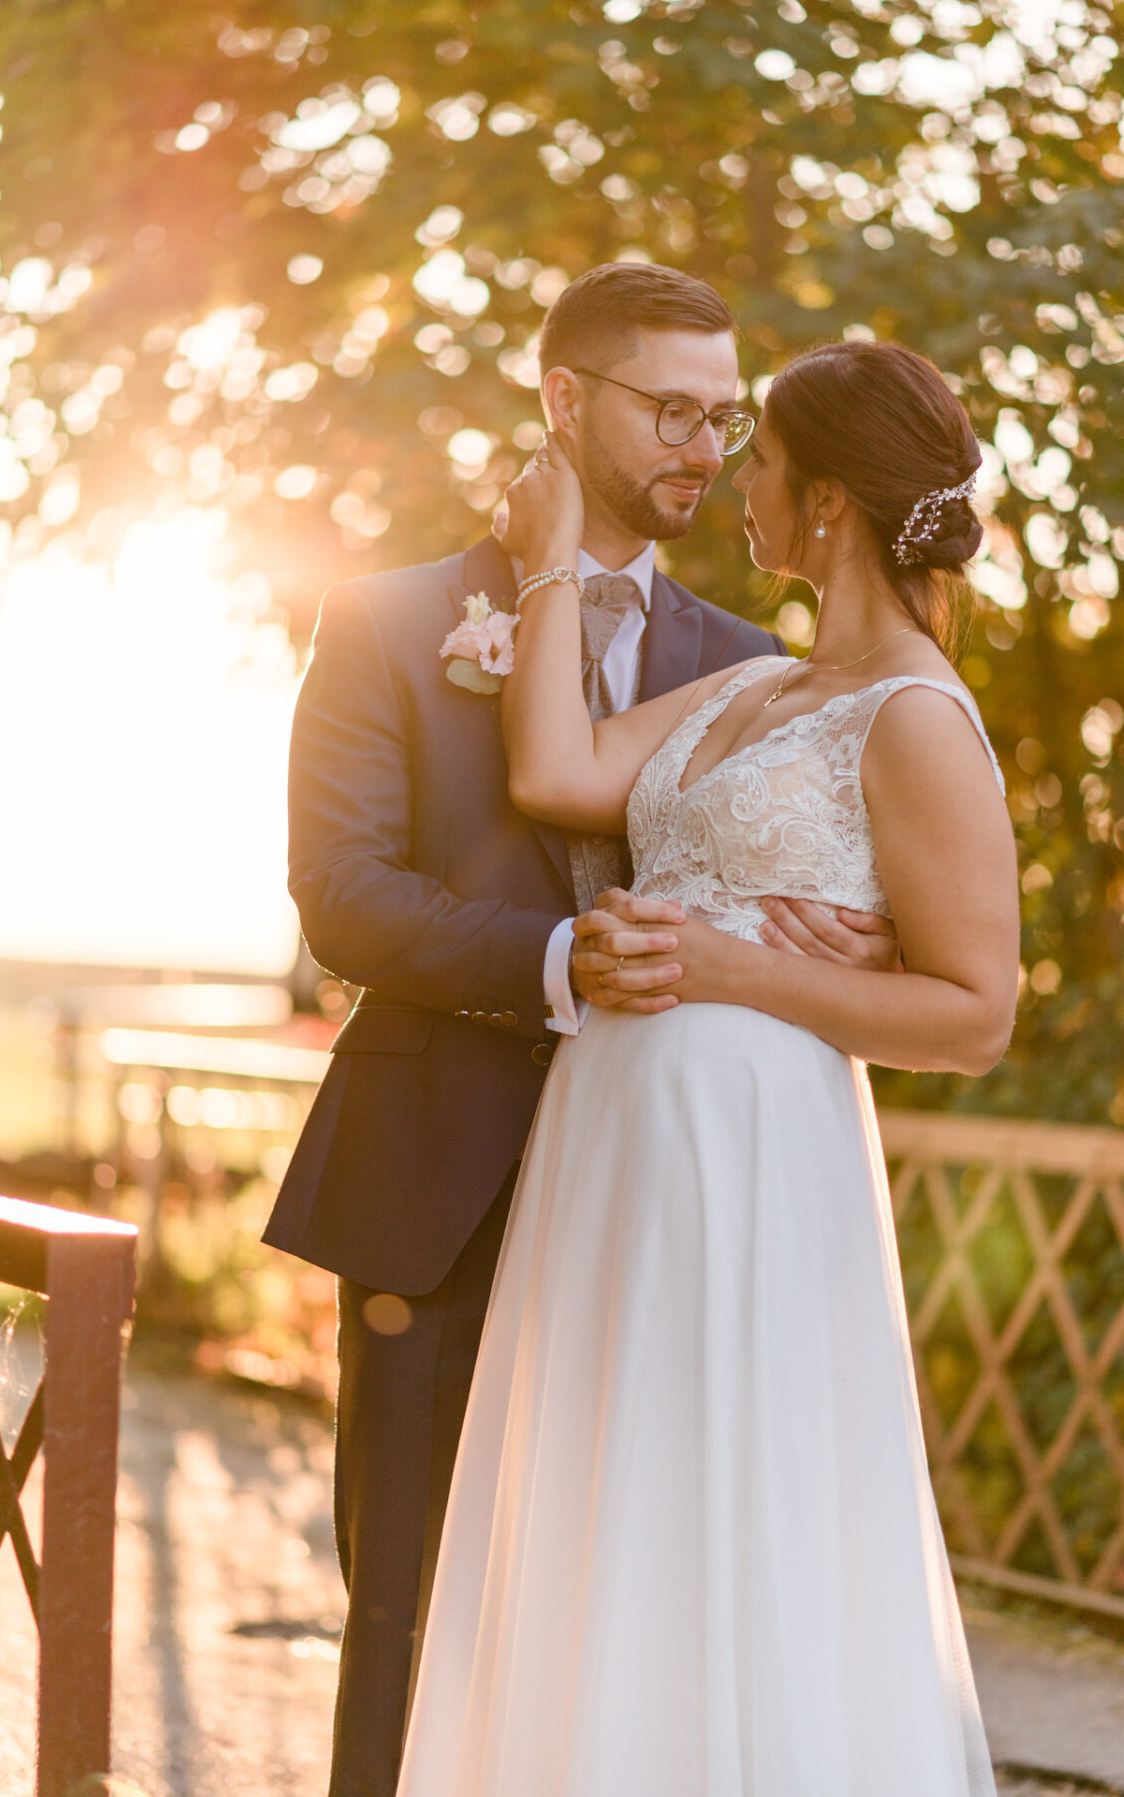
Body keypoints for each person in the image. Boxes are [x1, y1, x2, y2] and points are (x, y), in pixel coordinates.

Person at [262, 264, 899, 1797]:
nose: (701, 444)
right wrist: (560, 956)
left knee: (636, 1628)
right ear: (565, 398)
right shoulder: (391, 618)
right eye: (670, 409)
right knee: (415, 1618)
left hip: (667, 1212)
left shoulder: (751, 657)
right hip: (442, 1198)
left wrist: (840, 917)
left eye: (720, 417)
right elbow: (342, 894)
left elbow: (809, 858)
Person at [393, 337, 1019, 1797]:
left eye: (765, 464)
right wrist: (551, 557)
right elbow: (555, 769)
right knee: (616, 1513)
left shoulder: (917, 717)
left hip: (751, 1162)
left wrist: (738, 966)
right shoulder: (757, 686)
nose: (738, 484)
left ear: (830, 506)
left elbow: (978, 1012)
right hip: (613, 1152)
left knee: (730, 1509)